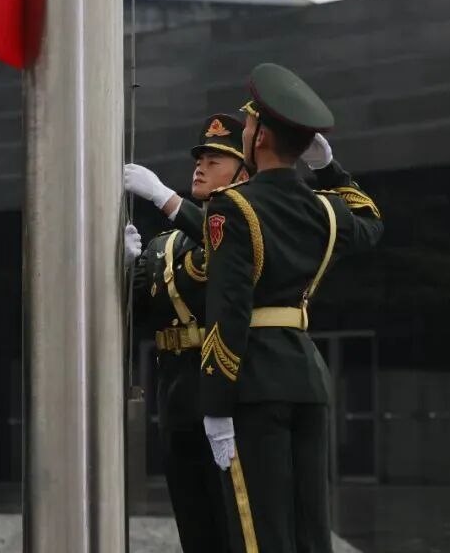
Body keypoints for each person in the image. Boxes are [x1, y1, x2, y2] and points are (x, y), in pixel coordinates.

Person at [199, 63, 383, 553]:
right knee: (309, 529)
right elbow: (370, 218)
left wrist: (215, 406)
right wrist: (328, 167)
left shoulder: (230, 207)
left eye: (250, 124)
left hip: (252, 382)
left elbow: (228, 308)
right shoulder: (325, 209)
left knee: (259, 530)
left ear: (258, 137)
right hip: (305, 375)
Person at [125, 114, 249, 552]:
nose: (201, 165)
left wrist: (164, 197)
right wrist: (124, 269)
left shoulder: (248, 229)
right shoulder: (167, 244)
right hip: (177, 398)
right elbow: (136, 315)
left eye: (216, 159)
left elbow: (223, 248)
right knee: (195, 528)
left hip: (226, 396)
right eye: (200, 157)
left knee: (236, 527)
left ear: (244, 172)